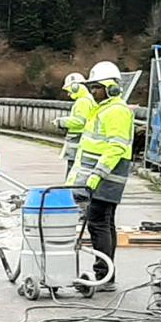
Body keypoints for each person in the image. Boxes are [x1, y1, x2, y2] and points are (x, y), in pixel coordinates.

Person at [66, 61, 134, 292]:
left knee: (99, 224)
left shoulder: (116, 111)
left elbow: (115, 147)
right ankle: (106, 275)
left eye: (96, 87)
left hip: (105, 180)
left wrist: (97, 175)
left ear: (111, 88)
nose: (92, 92)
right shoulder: (103, 109)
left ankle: (103, 275)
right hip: (100, 179)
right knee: (104, 223)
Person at [52, 72, 96, 168]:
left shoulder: (82, 101)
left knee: (72, 168)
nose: (68, 94)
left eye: (69, 90)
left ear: (75, 87)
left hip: (77, 139)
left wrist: (61, 122)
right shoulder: (88, 99)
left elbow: (80, 121)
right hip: (82, 138)